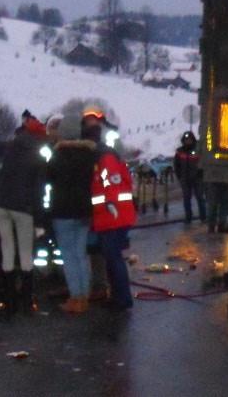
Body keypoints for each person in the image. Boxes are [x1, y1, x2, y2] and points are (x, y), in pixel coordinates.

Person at [0, 110, 47, 315]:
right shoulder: (38, 156)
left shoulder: (10, 147)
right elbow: (38, 191)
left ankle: (8, 303)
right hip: (23, 209)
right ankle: (26, 302)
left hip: (1, 205)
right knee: (25, 254)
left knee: (7, 249)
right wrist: (40, 223)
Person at [82, 108, 136, 311]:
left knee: (114, 259)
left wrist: (110, 212)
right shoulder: (105, 155)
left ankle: (122, 299)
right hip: (110, 217)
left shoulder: (105, 157)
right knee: (112, 259)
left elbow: (110, 188)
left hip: (113, 217)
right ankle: (118, 296)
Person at [43, 114, 98, 314]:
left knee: (69, 256)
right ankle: (85, 295)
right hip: (84, 211)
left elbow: (47, 178)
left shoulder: (58, 155)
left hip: (63, 211)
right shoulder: (89, 155)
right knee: (81, 254)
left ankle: (75, 297)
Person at [173, 131, 206, 225]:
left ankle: (203, 217)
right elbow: (176, 164)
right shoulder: (179, 151)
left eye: (189, 139)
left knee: (200, 198)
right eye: (186, 140)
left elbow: (203, 162)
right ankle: (188, 218)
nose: (188, 141)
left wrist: (201, 173)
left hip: (197, 178)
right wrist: (179, 175)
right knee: (186, 199)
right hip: (185, 179)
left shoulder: (198, 149)